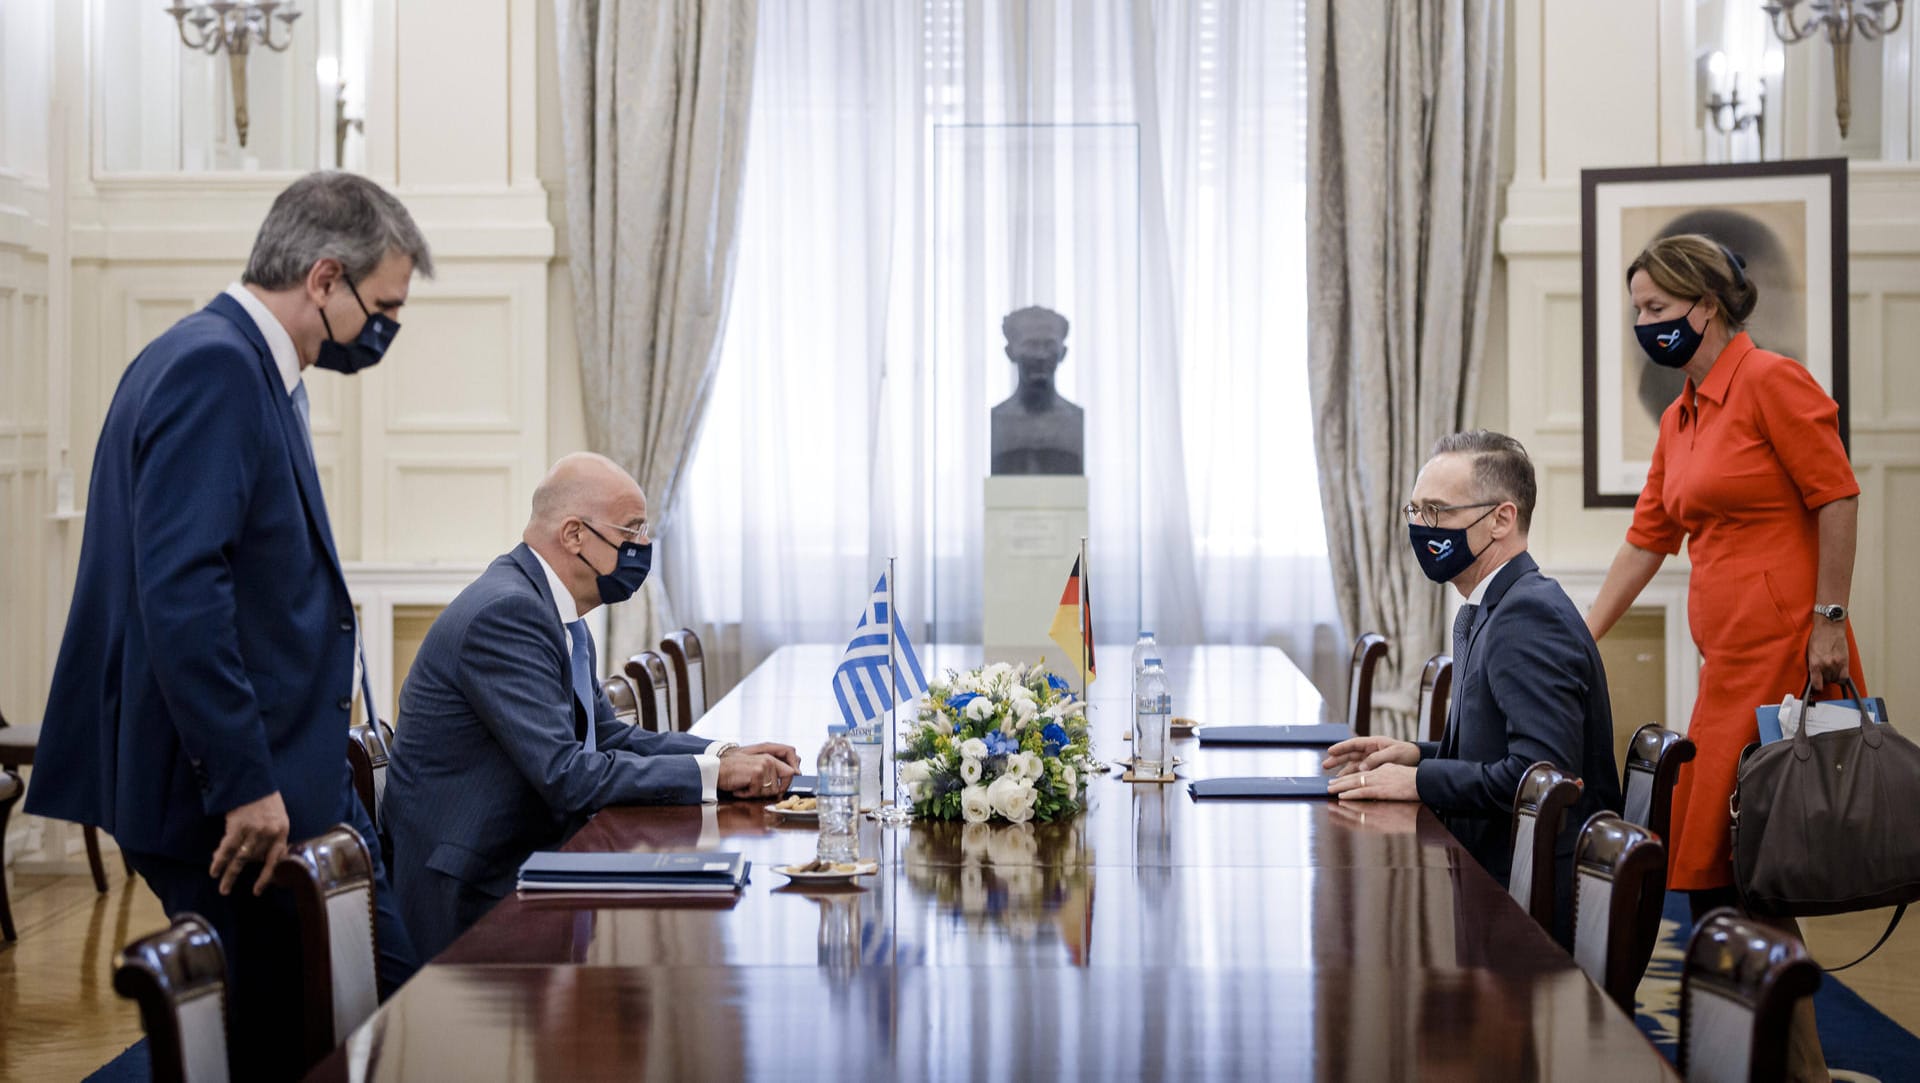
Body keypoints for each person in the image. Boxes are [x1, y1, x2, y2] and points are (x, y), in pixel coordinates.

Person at [26, 172, 430, 1079]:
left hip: (279, 779)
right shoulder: (215, 365)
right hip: (230, 799)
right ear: (325, 278)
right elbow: (184, 589)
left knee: (336, 1018)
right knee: (311, 1032)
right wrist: (245, 779)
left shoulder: (239, 363)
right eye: (384, 305)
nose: (386, 329)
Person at [1587, 233, 1859, 1081]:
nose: (1645, 324)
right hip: (1724, 665)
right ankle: (1788, 1063)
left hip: (1787, 658)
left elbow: (1837, 493)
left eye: (1658, 310)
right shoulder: (1682, 413)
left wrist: (1830, 618)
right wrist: (1580, 631)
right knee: (1726, 879)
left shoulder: (1771, 379)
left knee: (1744, 878)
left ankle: (1789, 1066)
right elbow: (1647, 540)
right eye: (1637, 311)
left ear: (1706, 306)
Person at [383, 453, 801, 959]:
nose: (642, 548)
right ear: (574, 535)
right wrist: (712, 776)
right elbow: (567, 774)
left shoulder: (559, 611)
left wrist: (724, 755)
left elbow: (606, 734)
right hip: (477, 894)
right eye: (631, 531)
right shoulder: (507, 613)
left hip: (534, 860)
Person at [1324, 431, 1622, 945]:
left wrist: (1419, 782)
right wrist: (1418, 754)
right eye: (1414, 511)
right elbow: (1502, 751)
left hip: (1534, 896)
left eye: (1437, 511)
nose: (1421, 527)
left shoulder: (1527, 615)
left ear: (1502, 519)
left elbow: (1542, 778)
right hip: (1502, 869)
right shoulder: (1498, 604)